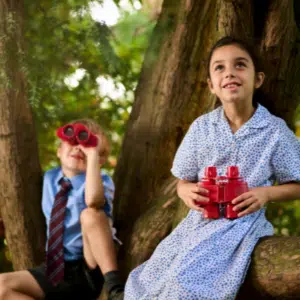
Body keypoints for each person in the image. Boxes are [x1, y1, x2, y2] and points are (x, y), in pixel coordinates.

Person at [124, 36, 300, 299]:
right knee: (146, 279)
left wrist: (266, 194)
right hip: (197, 223)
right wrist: (186, 192)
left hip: (238, 226)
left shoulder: (274, 130)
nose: (229, 72)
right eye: (219, 67)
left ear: (258, 79)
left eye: (240, 65)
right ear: (211, 85)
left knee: (185, 284)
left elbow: (297, 184)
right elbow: (182, 180)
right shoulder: (202, 127)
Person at [0, 119, 124, 300]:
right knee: (1, 286)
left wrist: (92, 157)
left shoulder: (101, 180)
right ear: (59, 151)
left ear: (100, 159)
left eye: (87, 144)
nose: (78, 148)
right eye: (72, 142)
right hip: (56, 269)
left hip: (90, 264)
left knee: (90, 214)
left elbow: (93, 201)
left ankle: (115, 287)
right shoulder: (50, 178)